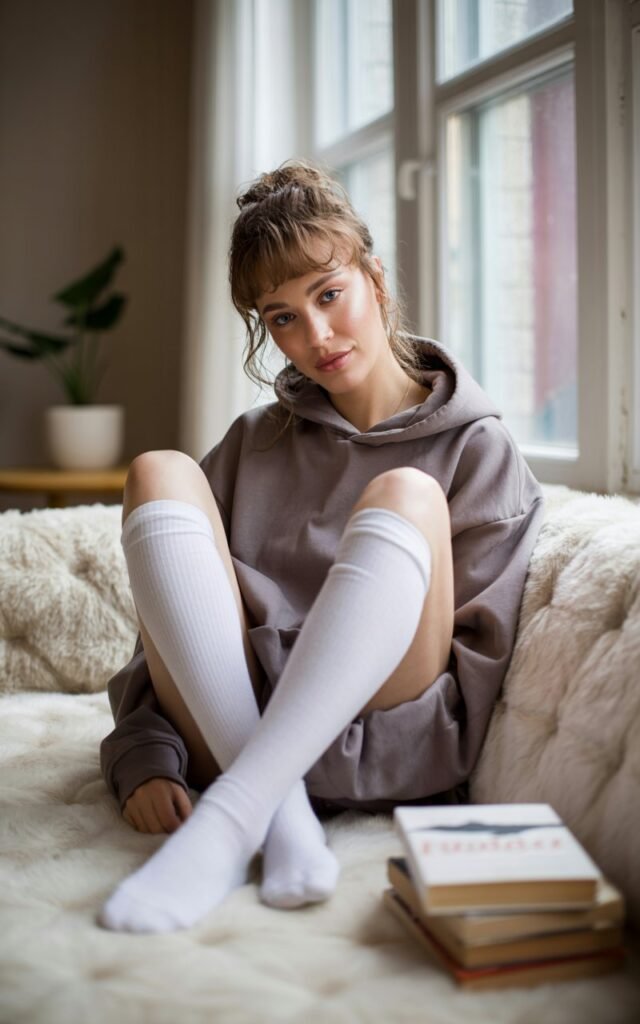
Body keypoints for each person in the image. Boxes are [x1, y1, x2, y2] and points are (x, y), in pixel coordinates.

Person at [98, 159, 544, 934]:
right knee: (156, 470)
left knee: (406, 493)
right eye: (282, 318)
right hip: (226, 722)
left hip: (376, 735)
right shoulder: (249, 444)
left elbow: (472, 673)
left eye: (329, 295)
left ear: (374, 277)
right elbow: (163, 638)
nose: (317, 336)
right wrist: (143, 755)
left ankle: (241, 809)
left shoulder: (480, 447)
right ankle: (275, 811)